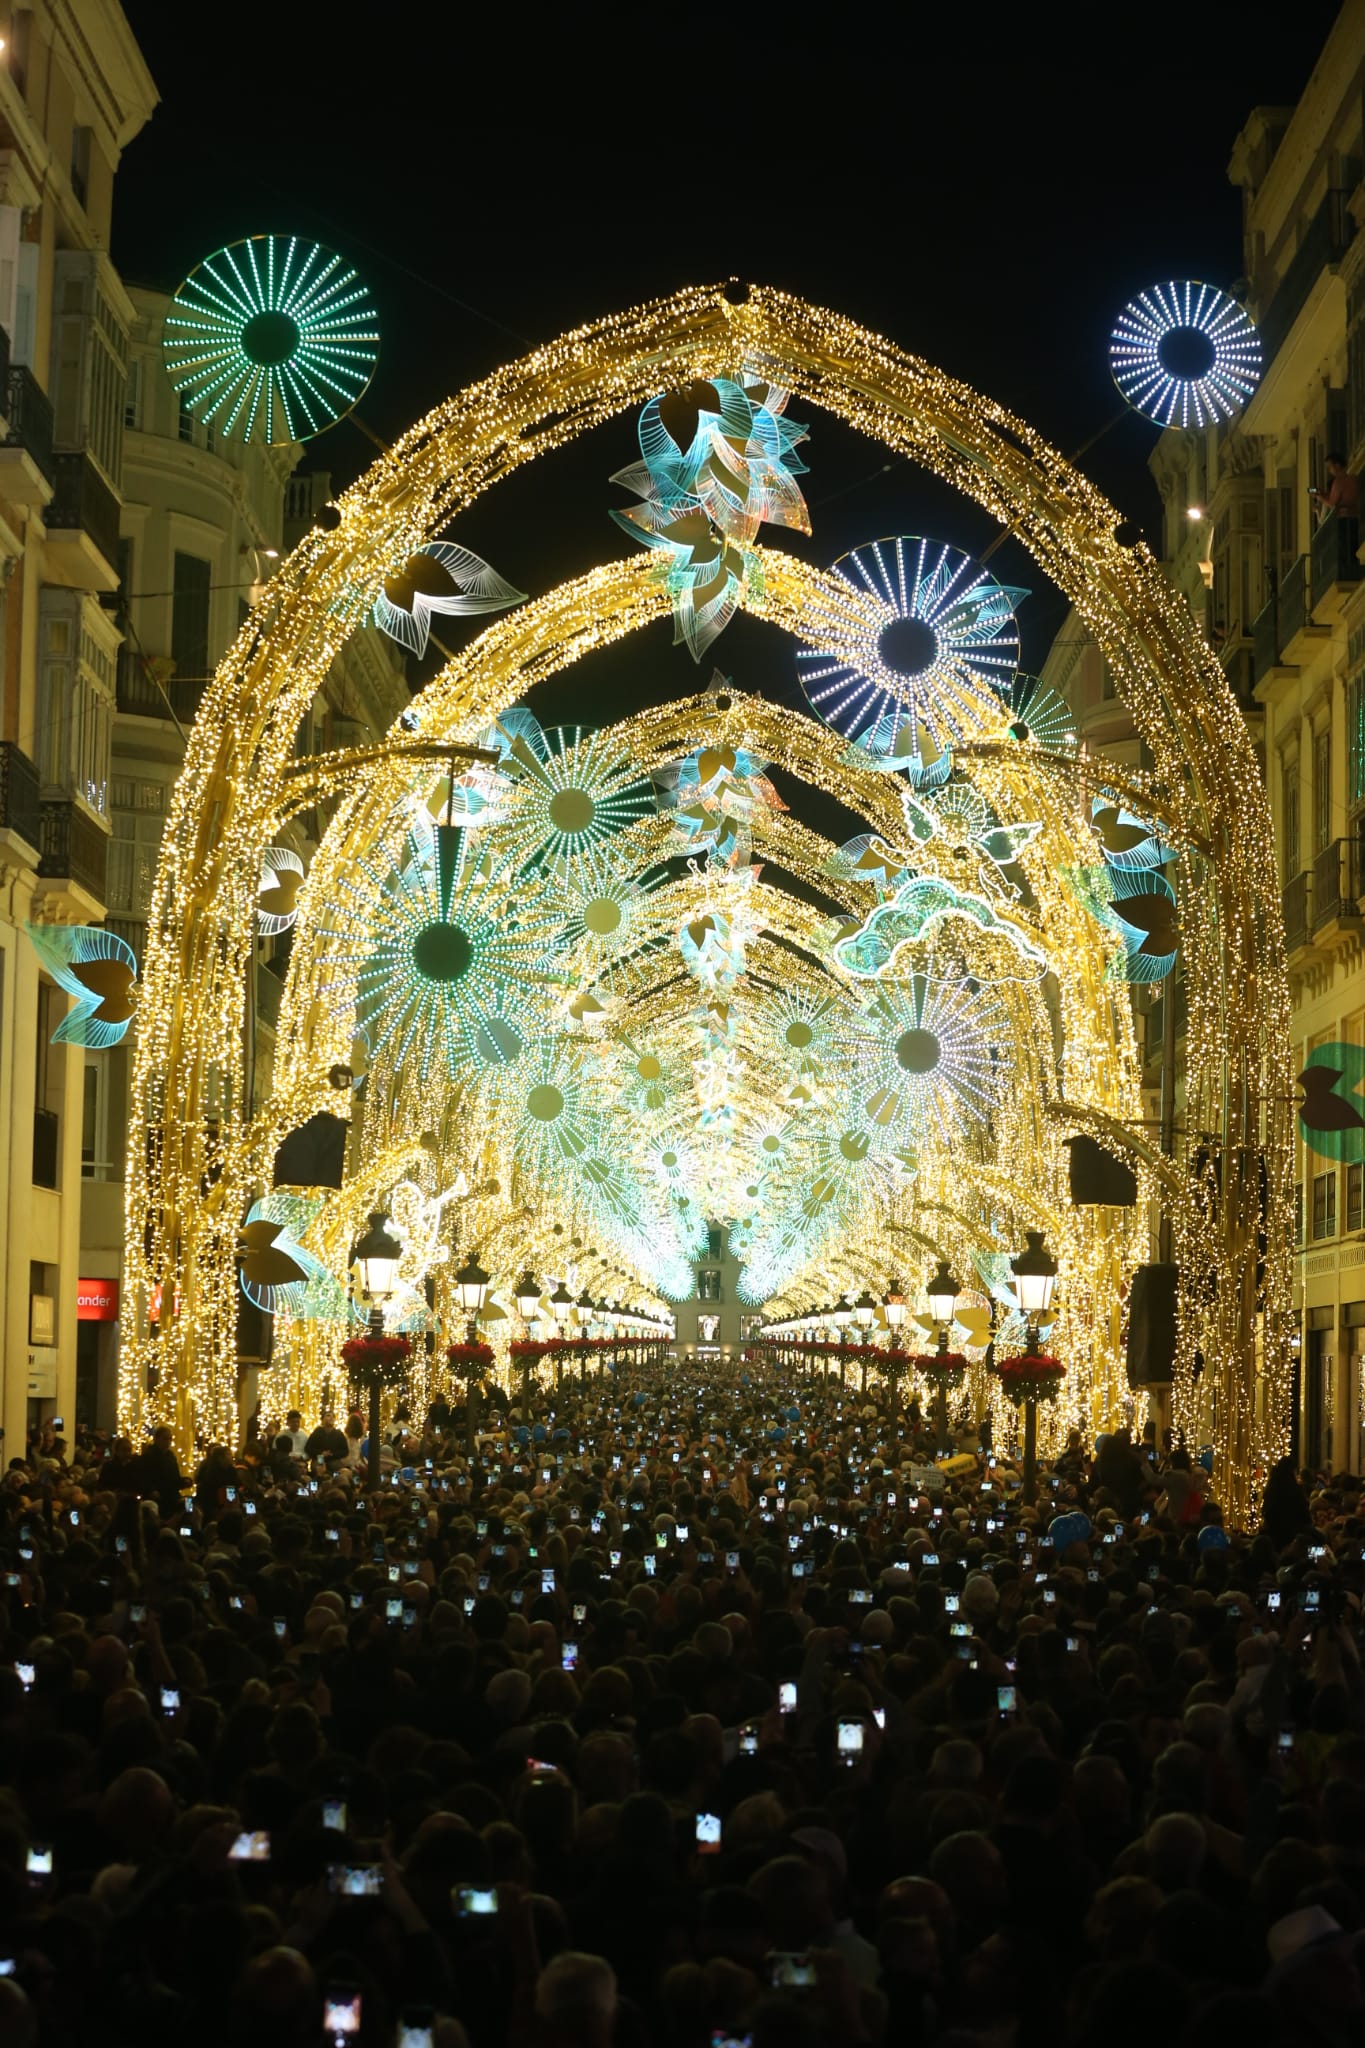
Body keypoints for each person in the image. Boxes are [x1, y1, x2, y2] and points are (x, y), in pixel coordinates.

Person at [1311, 452, 1360, 521]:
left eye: (1329, 467)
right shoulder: (1353, 478)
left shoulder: (1338, 482)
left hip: (1344, 518)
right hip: (1355, 515)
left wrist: (1319, 497)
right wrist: (1324, 494)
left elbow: (1332, 504)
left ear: (1337, 466)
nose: (1329, 470)